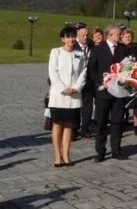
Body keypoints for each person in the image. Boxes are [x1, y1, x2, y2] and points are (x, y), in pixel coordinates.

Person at [48, 25, 87, 167]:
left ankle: (66, 154)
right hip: (59, 95)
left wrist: (75, 88)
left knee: (69, 126)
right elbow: (53, 73)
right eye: (68, 36)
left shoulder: (80, 53)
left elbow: (83, 73)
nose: (71, 39)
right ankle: (57, 155)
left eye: (73, 36)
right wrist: (63, 89)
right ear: (62, 39)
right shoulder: (56, 52)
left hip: (74, 96)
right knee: (58, 125)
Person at [88, 25, 129, 162]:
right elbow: (92, 71)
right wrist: (103, 81)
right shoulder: (98, 49)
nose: (121, 35)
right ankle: (100, 151)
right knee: (101, 122)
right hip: (104, 93)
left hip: (119, 92)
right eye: (119, 34)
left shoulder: (124, 49)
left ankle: (116, 150)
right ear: (110, 35)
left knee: (117, 121)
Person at [72, 24, 94, 140]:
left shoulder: (92, 45)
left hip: (89, 81)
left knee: (88, 106)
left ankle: (85, 128)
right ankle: (74, 129)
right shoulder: (73, 46)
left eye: (87, 35)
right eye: (83, 35)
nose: (85, 37)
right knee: (76, 106)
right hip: (75, 81)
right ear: (77, 36)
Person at [120, 28, 137, 136]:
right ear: (121, 38)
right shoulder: (119, 48)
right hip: (123, 79)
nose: (128, 38)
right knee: (121, 105)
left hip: (135, 78)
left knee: (136, 105)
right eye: (126, 37)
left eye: (130, 36)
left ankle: (136, 126)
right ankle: (120, 125)